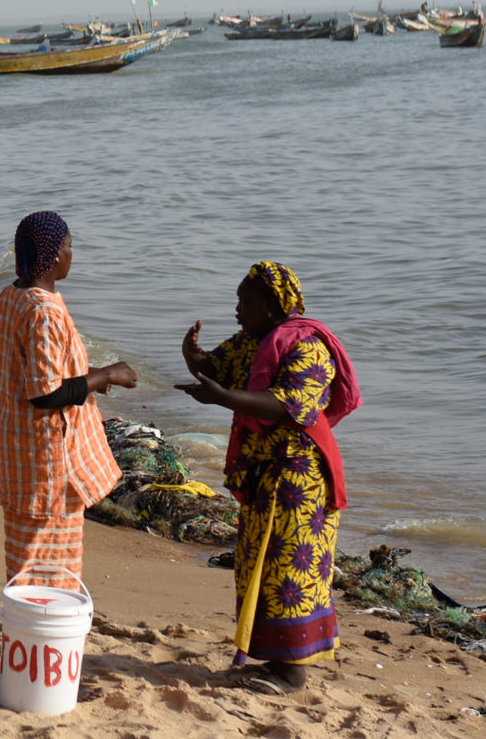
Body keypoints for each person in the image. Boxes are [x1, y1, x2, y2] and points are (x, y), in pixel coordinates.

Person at [177, 262, 362, 693]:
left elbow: (290, 405)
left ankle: (292, 674)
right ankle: (274, 663)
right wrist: (193, 356)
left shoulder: (308, 345)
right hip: (266, 473)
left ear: (273, 305)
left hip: (299, 478)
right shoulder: (252, 341)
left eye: (246, 301)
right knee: (258, 563)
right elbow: (217, 369)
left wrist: (221, 399)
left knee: (288, 572)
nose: (238, 309)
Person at [0, 212, 136, 589]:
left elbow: (32, 373)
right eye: (69, 246)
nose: (73, 253)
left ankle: (23, 637)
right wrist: (107, 375)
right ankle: (41, 637)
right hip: (46, 460)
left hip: (15, 442)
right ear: (54, 256)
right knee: (49, 564)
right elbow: (45, 394)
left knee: (23, 552)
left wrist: (91, 379)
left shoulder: (11, 296)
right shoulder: (44, 311)